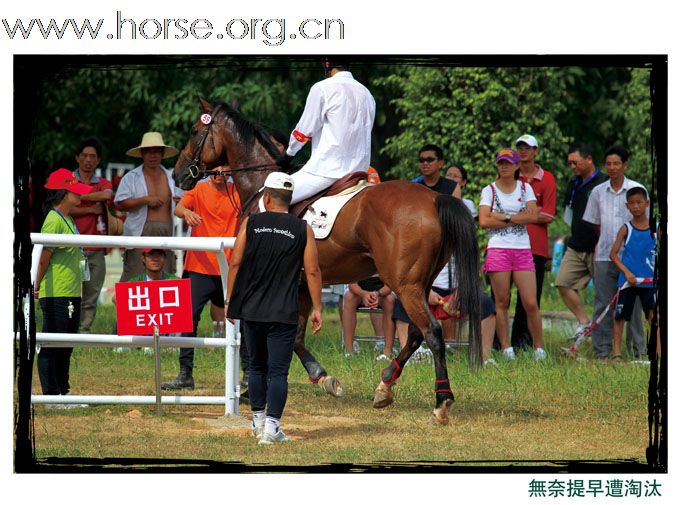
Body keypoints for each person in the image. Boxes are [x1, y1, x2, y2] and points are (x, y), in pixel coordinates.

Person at [227, 172, 323, 445]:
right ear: (290, 201)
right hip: (283, 311)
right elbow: (313, 271)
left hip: (251, 309)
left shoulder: (251, 223)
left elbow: (235, 262)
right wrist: (317, 307)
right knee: (279, 372)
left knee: (256, 367)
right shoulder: (302, 228)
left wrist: (230, 300)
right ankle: (272, 429)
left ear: (266, 197)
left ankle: (258, 422)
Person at [162, 166, 242, 391]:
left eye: (224, 169)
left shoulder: (239, 191)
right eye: (214, 170)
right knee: (188, 318)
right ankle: (185, 373)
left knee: (242, 318)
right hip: (200, 266)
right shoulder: (198, 188)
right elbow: (178, 208)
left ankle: (247, 373)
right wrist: (186, 213)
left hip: (230, 267)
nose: (219, 174)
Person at [478, 148, 546, 361]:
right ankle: (507, 348)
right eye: (501, 163)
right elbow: (484, 220)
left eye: (508, 162)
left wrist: (503, 216)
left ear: (517, 166)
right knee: (502, 300)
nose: (504, 166)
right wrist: (516, 216)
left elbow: (533, 216)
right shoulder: (489, 190)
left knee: (530, 302)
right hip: (498, 248)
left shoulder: (525, 188)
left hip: (522, 249)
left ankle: (539, 348)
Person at [34, 169, 93, 406]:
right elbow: (43, 256)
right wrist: (34, 285)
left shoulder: (68, 219)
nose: (80, 195)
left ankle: (63, 392)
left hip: (71, 291)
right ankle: (51, 395)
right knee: (52, 344)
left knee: (66, 344)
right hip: (56, 292)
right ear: (62, 193)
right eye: (74, 191)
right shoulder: (53, 220)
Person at [283, 57, 376, 206]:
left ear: (327, 64)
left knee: (273, 197)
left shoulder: (322, 88)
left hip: (326, 171)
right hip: (360, 172)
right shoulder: (367, 93)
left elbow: (305, 130)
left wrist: (289, 153)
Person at [583, 145, 646, 359]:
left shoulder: (637, 189)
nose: (612, 167)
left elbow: (645, 222)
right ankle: (602, 352)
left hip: (633, 259)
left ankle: (638, 352)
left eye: (616, 163)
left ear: (625, 165)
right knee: (603, 303)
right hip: (604, 255)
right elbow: (594, 223)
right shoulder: (598, 192)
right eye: (608, 163)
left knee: (634, 305)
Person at [554, 142, 608, 337]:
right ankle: (585, 323)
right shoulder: (573, 182)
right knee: (562, 282)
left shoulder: (604, 182)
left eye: (575, 163)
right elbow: (569, 213)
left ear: (589, 159)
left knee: (604, 294)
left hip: (599, 247)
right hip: (576, 245)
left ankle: (604, 336)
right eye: (570, 163)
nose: (573, 167)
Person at [510, 134, 557, 350]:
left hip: (535, 247)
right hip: (508, 243)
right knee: (500, 297)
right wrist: (531, 212)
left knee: (529, 300)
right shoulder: (510, 175)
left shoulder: (547, 179)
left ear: (535, 151)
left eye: (527, 148)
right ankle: (497, 344)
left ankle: (524, 344)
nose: (523, 151)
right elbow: (501, 210)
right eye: (520, 147)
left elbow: (548, 215)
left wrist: (519, 213)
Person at [114, 131, 182, 282]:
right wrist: (144, 200)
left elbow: (183, 202)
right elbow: (120, 204)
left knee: (165, 276)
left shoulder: (172, 177)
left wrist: (181, 203)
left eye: (156, 152)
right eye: (148, 152)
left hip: (166, 230)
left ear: (163, 154)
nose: (153, 156)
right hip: (140, 231)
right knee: (135, 274)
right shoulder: (131, 177)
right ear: (142, 154)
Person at [69, 137, 114, 333]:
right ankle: (66, 329)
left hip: (96, 248)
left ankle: (84, 330)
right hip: (71, 248)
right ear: (77, 158)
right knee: (68, 292)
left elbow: (107, 195)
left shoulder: (103, 182)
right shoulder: (68, 180)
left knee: (92, 293)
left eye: (92, 156)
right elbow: (65, 208)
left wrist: (79, 197)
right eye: (84, 156)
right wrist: (90, 209)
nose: (88, 160)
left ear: (98, 160)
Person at [609, 187, 656, 359]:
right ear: (627, 206)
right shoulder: (626, 228)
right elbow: (613, 254)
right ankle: (617, 353)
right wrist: (627, 273)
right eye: (632, 204)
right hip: (628, 281)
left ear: (647, 204)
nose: (636, 207)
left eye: (639, 203)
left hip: (649, 281)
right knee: (620, 316)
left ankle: (656, 353)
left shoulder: (656, 228)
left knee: (653, 315)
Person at [342, 277, 396, 359]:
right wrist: (364, 294)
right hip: (359, 293)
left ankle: (388, 351)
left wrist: (377, 294)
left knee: (390, 299)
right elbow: (352, 285)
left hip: (381, 294)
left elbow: (389, 286)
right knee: (349, 297)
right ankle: (349, 350)